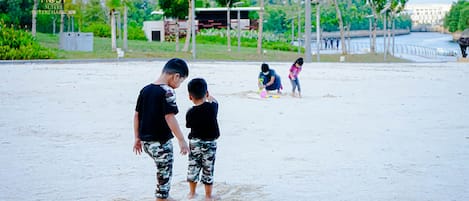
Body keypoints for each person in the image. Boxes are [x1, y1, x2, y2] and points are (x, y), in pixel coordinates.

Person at [133, 58, 190, 201]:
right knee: (165, 172)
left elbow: (136, 115)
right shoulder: (168, 91)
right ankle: (162, 198)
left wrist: (137, 138)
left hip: (146, 143)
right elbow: (170, 117)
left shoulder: (145, 90)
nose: (179, 85)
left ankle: (164, 196)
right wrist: (181, 140)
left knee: (161, 171)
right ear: (176, 76)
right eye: (181, 81)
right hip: (161, 143)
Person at [185, 78, 220, 201]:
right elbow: (215, 101)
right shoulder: (212, 108)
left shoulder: (190, 112)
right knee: (208, 168)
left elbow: (188, 125)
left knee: (193, 166)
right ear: (206, 93)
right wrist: (208, 96)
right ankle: (208, 196)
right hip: (210, 143)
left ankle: (192, 193)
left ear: (190, 97)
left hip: (194, 143)